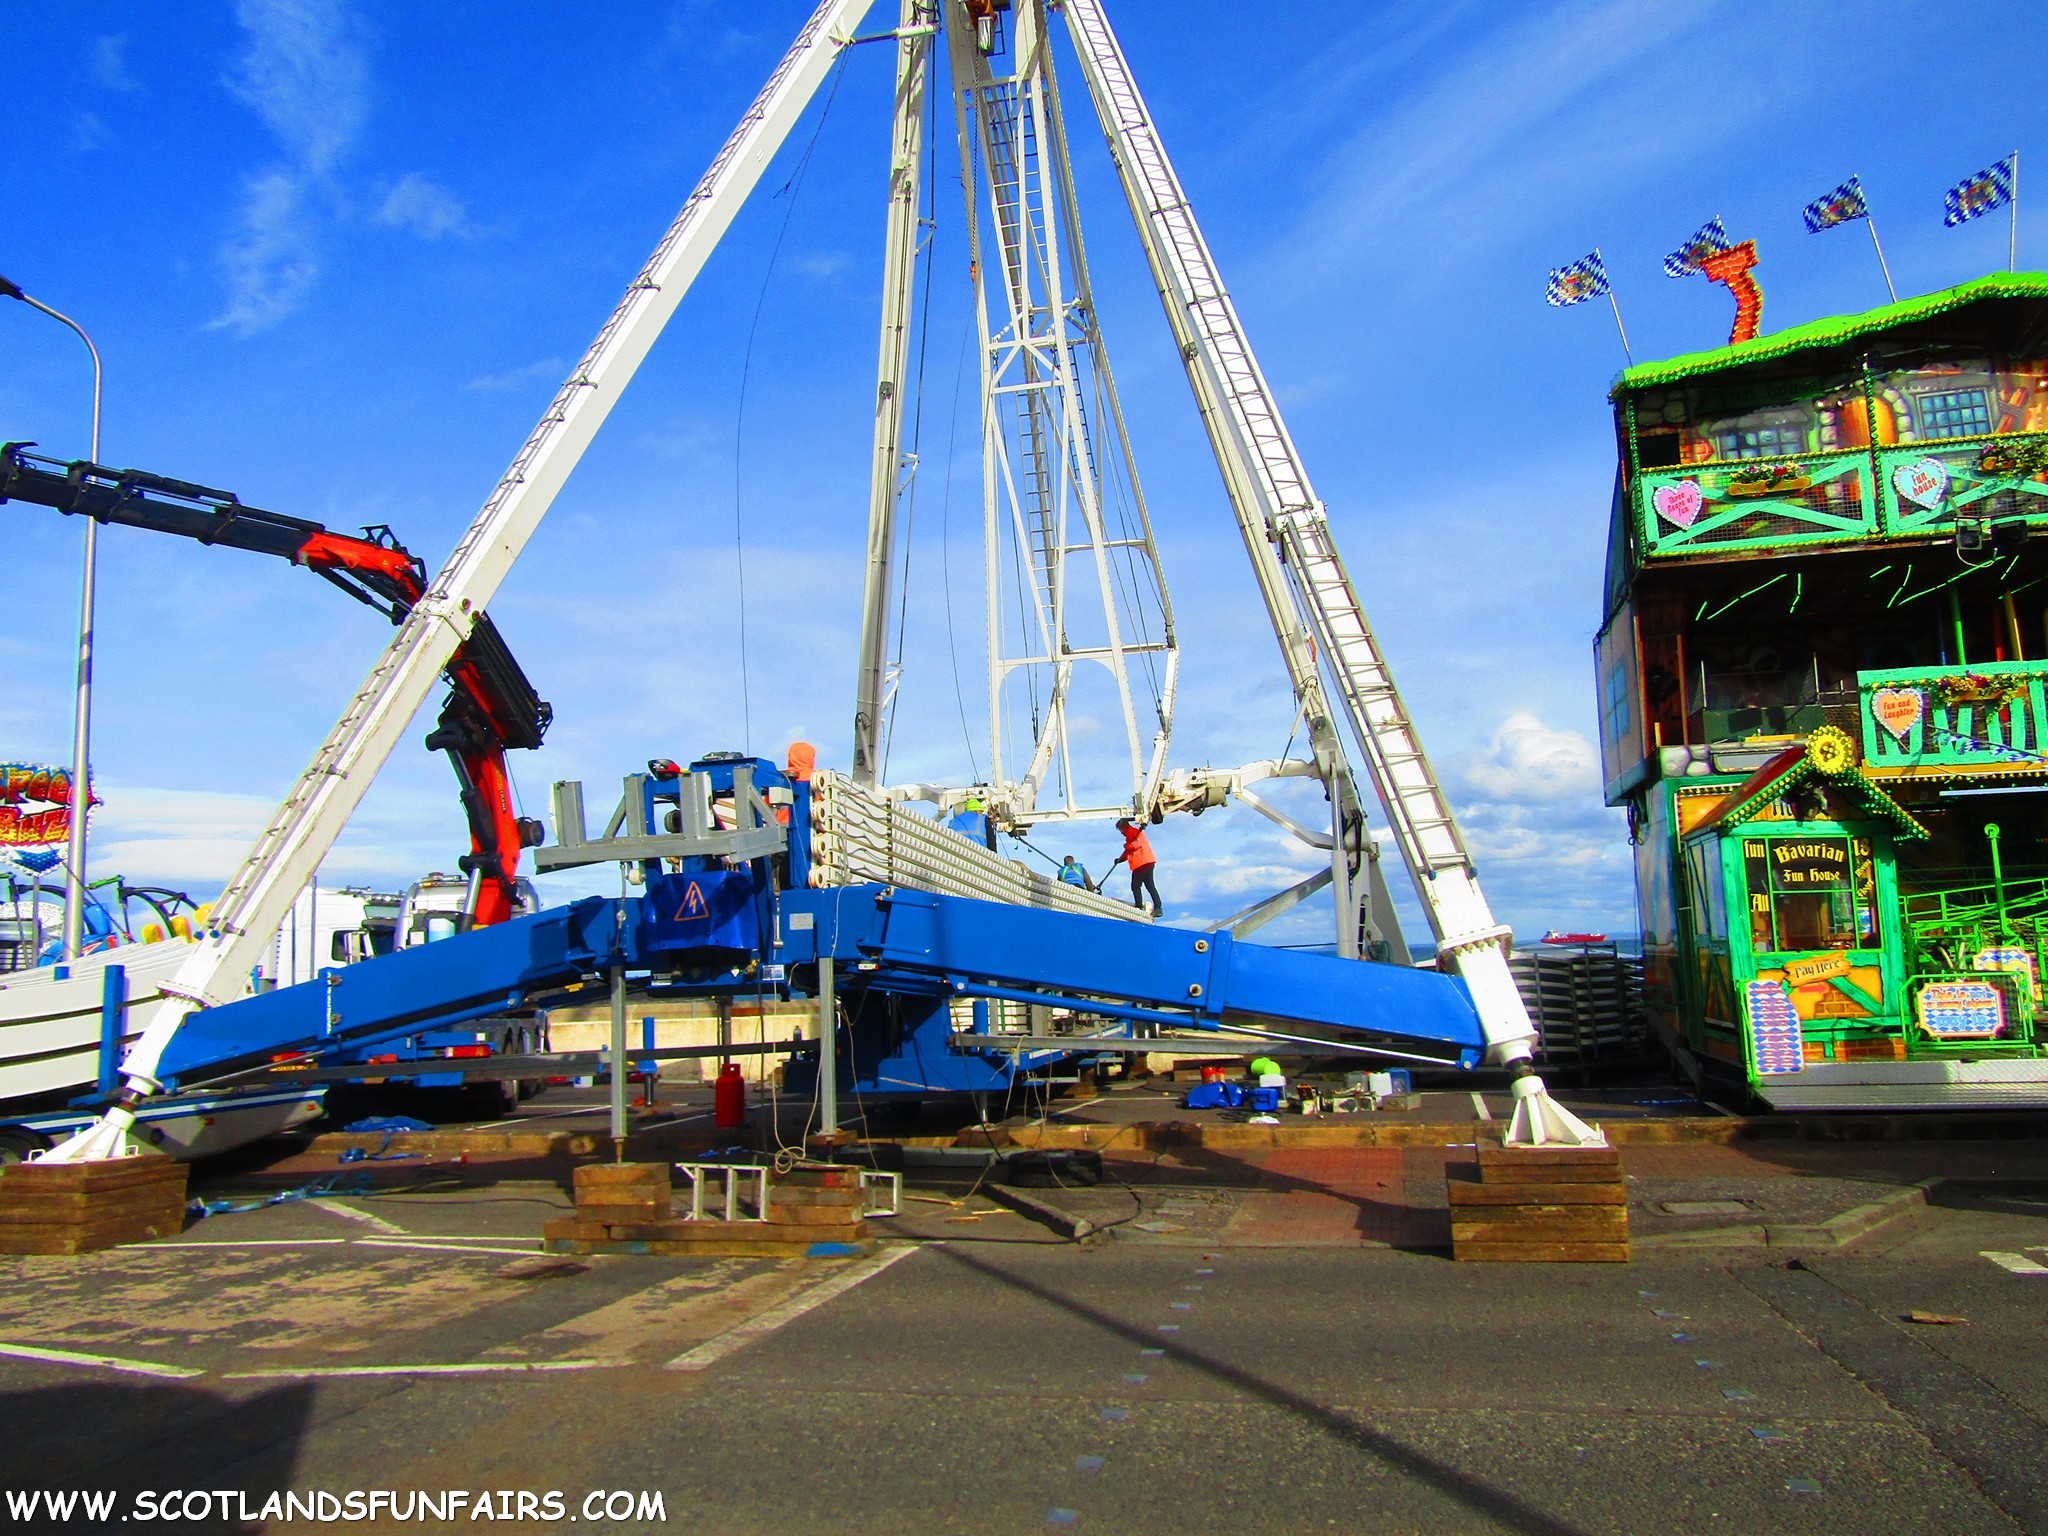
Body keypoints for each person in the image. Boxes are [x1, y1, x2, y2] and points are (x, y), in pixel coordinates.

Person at [1115, 816, 1161, 917]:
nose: (1121, 832)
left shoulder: (1132, 832)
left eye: (1120, 830)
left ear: (1123, 827)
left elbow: (1135, 845)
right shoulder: (1132, 834)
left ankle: (1139, 906)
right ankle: (1158, 907)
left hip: (1141, 863)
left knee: (1135, 886)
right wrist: (1120, 860)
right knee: (1150, 886)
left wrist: (1126, 846)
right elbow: (1130, 851)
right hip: (1147, 861)